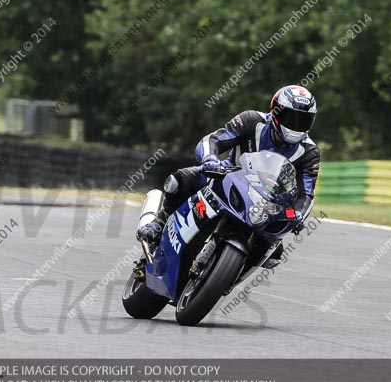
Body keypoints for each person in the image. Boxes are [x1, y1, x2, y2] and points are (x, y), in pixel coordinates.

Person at [136, 85, 321, 269]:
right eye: (291, 118)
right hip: (227, 176)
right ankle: (159, 224)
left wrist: (298, 214)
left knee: (273, 252)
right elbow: (213, 140)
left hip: (268, 202)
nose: (295, 126)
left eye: (303, 121)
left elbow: (306, 194)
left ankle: (231, 273)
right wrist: (210, 159)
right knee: (180, 180)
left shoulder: (309, 152)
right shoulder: (251, 120)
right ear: (276, 111)